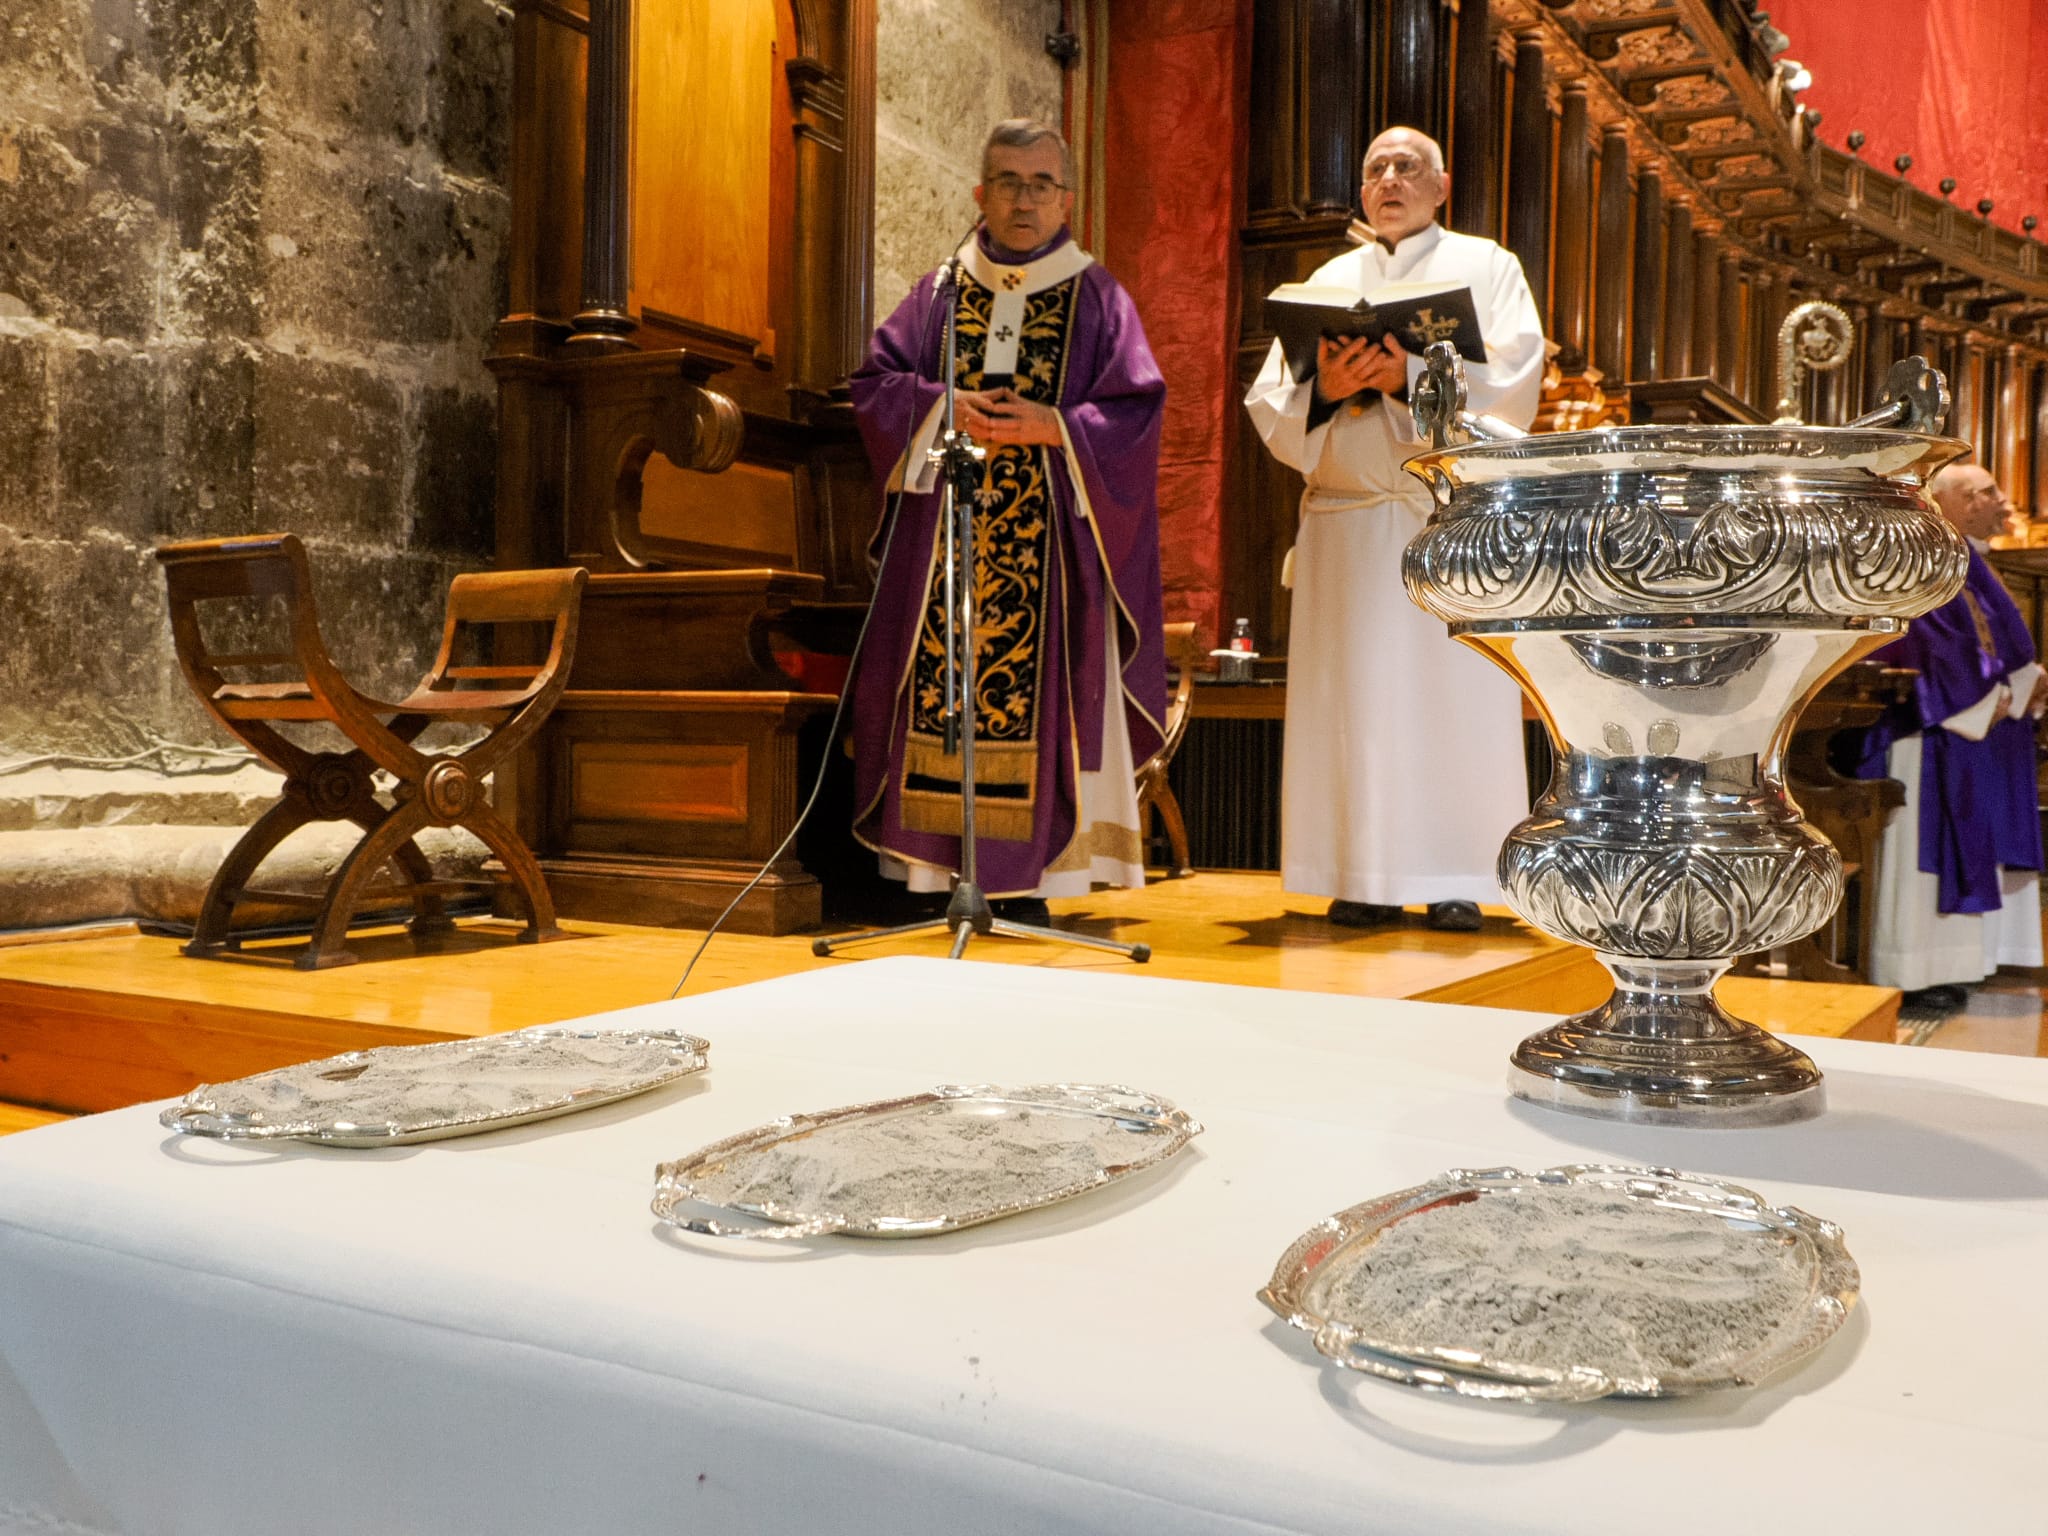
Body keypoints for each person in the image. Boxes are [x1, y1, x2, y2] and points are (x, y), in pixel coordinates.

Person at [843, 118, 1168, 924]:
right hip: (944, 544)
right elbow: (876, 386)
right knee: (940, 688)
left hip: (1053, 549)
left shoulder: (1098, 296)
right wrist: (941, 406)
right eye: (1009, 184)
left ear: (1066, 200)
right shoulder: (939, 293)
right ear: (980, 195)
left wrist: (1055, 426)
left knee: (1041, 693)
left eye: (1041, 185)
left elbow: (1134, 413)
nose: (1024, 201)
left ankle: (1036, 882)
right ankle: (936, 875)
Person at [1243, 126, 1545, 931]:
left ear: (1441, 187)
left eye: (1407, 167)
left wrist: (1406, 376)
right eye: (1376, 168)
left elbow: (1514, 382)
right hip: (1347, 526)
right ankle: (1361, 873)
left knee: (1451, 705)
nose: (1389, 179)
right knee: (1355, 706)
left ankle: (1456, 878)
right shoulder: (1328, 280)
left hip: (1443, 522)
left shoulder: (1487, 266)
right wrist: (1330, 386)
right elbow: (1270, 402)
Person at [1847, 462, 2044, 1010]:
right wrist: (1988, 694)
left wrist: (2013, 683)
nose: (2003, 501)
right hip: (1924, 727)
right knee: (1920, 851)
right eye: (1987, 491)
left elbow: (1989, 640)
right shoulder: (1921, 559)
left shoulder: (1955, 557)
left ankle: (1951, 967)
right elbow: (1926, 643)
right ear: (1952, 500)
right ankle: (1910, 970)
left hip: (1959, 724)